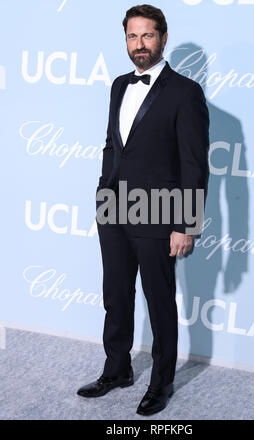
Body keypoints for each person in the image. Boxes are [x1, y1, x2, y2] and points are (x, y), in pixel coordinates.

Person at [77, 4, 210, 416]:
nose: (140, 44)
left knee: (159, 301)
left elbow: (194, 162)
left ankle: (161, 383)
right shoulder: (119, 84)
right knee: (115, 295)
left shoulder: (185, 92)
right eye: (132, 37)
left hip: (160, 211)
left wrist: (185, 224)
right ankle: (117, 369)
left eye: (147, 35)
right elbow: (111, 144)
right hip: (114, 208)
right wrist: (103, 194)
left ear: (163, 38)